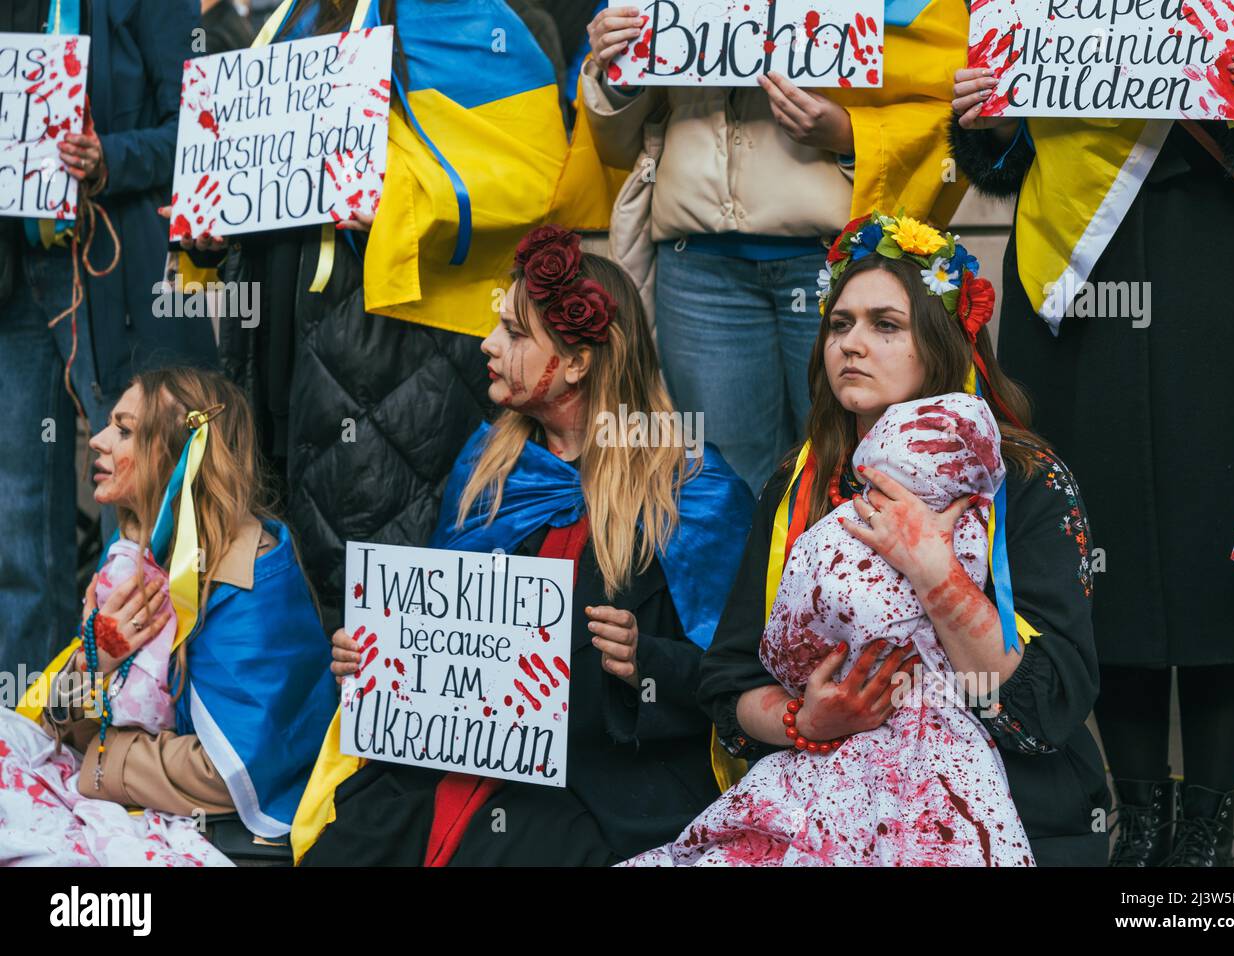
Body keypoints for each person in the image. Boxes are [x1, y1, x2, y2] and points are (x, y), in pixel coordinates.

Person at [949, 19, 1234, 866]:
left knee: (1221, 550)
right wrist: (986, 127)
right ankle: (1137, 818)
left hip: (1222, 257)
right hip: (1074, 281)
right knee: (1101, 550)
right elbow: (1002, 161)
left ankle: (1209, 826)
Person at [292, 228, 754, 866]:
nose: (487, 345)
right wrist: (375, 656)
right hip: (445, 762)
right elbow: (436, 634)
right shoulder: (491, 464)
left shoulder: (693, 492)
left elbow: (744, 677)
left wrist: (647, 662)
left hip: (597, 777)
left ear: (576, 362)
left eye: (513, 333)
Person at [695, 214, 1111, 867]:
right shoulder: (798, 483)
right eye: (840, 324)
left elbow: (1046, 708)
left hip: (1011, 805)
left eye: (885, 325)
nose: (850, 344)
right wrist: (804, 722)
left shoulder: (1026, 481)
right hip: (829, 799)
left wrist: (933, 569)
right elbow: (728, 678)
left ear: (942, 344)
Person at [202, 0, 608, 630]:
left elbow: (535, 176)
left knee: (379, 569)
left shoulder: (476, 20)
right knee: (289, 554)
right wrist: (209, 226)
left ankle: (368, 718)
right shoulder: (292, 18)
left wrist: (403, 204)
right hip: (282, 323)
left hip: (400, 341)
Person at [580, 1, 970, 494]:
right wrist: (620, 72)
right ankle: (742, 576)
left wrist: (851, 134)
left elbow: (951, 97)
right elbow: (616, 147)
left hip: (835, 264)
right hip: (697, 265)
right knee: (725, 481)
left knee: (861, 466)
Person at [0, 368, 337, 865]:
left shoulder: (250, 576)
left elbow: (237, 771)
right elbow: (66, 725)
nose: (96, 440)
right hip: (133, 793)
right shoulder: (136, 548)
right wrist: (96, 662)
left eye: (123, 429)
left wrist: (102, 759)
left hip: (214, 828)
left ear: (174, 453)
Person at [0, 0, 216, 679]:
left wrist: (108, 159)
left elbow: (201, 127)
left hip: (118, 271)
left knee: (151, 497)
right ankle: (29, 726)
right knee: (19, 515)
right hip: (18, 276)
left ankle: (151, 712)